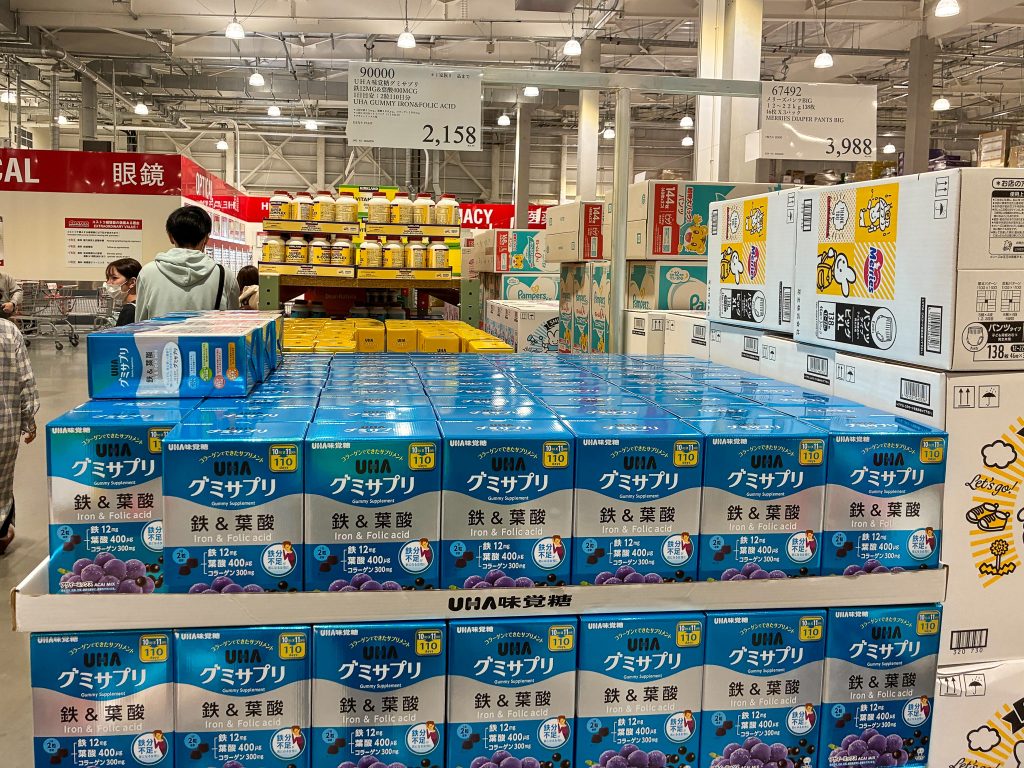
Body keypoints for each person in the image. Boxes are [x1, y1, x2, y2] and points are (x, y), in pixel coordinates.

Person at [134, 206, 239, 321]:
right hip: (208, 334)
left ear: (170, 237)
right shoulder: (224, 275)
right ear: (206, 238)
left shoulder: (148, 273)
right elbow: (233, 322)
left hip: (161, 333)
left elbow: (140, 323)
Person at [0, 317, 39, 554]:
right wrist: (28, 421)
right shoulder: (7, 330)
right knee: (1, 483)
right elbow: (25, 382)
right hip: (4, 426)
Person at [104, 257, 142, 326]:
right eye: (107, 278)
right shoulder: (141, 305)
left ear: (132, 282)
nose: (108, 282)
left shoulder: (129, 310)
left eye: (114, 278)